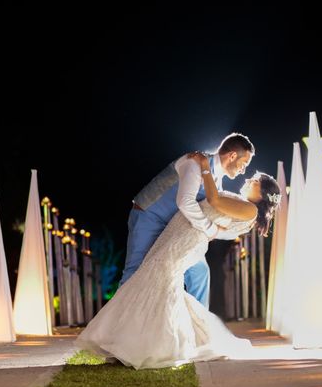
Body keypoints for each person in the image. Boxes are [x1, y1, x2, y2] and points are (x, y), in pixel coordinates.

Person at [75, 154, 281, 369]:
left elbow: (214, 201)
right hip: (178, 235)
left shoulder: (250, 209)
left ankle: (146, 343)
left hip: (184, 242)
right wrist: (213, 229)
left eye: (255, 182)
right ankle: (145, 339)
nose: (248, 180)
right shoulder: (246, 207)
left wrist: (204, 167)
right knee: (158, 283)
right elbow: (218, 221)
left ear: (263, 194)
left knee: (159, 281)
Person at [121, 133, 255, 308]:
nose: (243, 170)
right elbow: (185, 202)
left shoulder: (217, 183)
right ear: (232, 156)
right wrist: (210, 229)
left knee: (199, 272)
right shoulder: (194, 162)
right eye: (244, 164)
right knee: (135, 270)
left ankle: (197, 327)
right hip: (150, 217)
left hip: (176, 230)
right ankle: (116, 327)